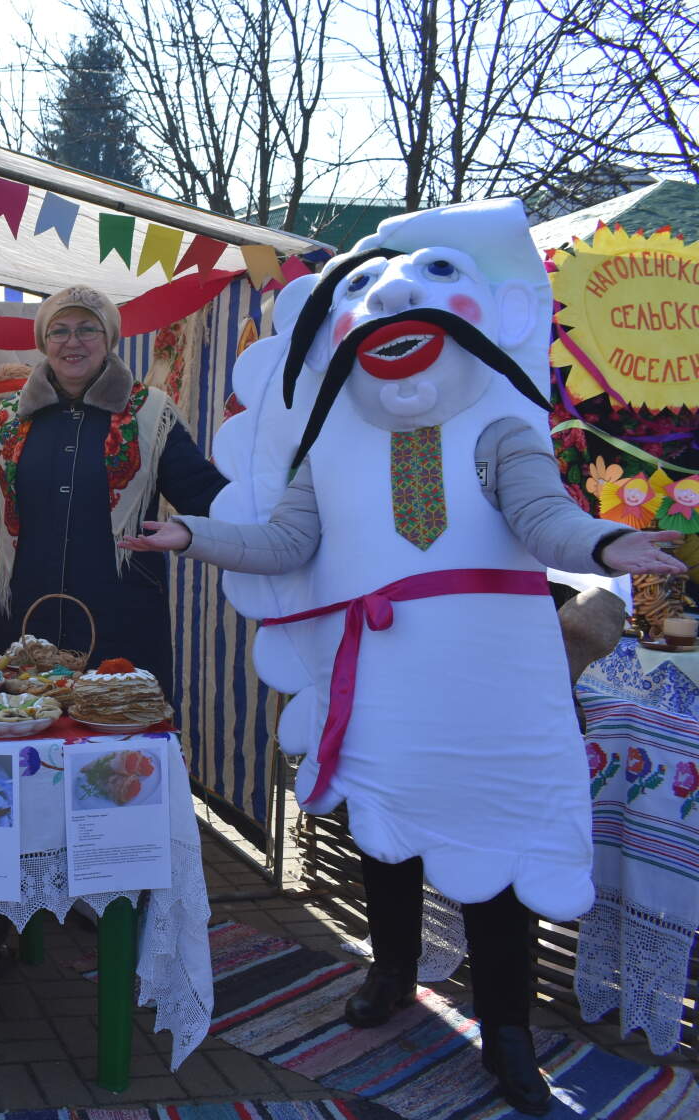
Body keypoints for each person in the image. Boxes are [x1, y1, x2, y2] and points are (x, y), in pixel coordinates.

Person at [121, 199, 687, 1115]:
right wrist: (192, 536)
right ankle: (393, 975)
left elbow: (543, 517)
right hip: (381, 676)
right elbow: (283, 542)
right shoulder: (324, 445)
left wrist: (604, 546)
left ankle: (506, 1034)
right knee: (385, 830)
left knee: (497, 843)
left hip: (491, 680)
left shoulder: (502, 428)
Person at [0, 286, 226, 694]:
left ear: (108, 340)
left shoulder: (148, 415)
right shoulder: (3, 423)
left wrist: (269, 517)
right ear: (43, 343)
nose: (73, 342)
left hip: (121, 621)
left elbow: (204, 496)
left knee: (119, 747)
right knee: (28, 740)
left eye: (87, 330)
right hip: (25, 623)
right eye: (59, 331)